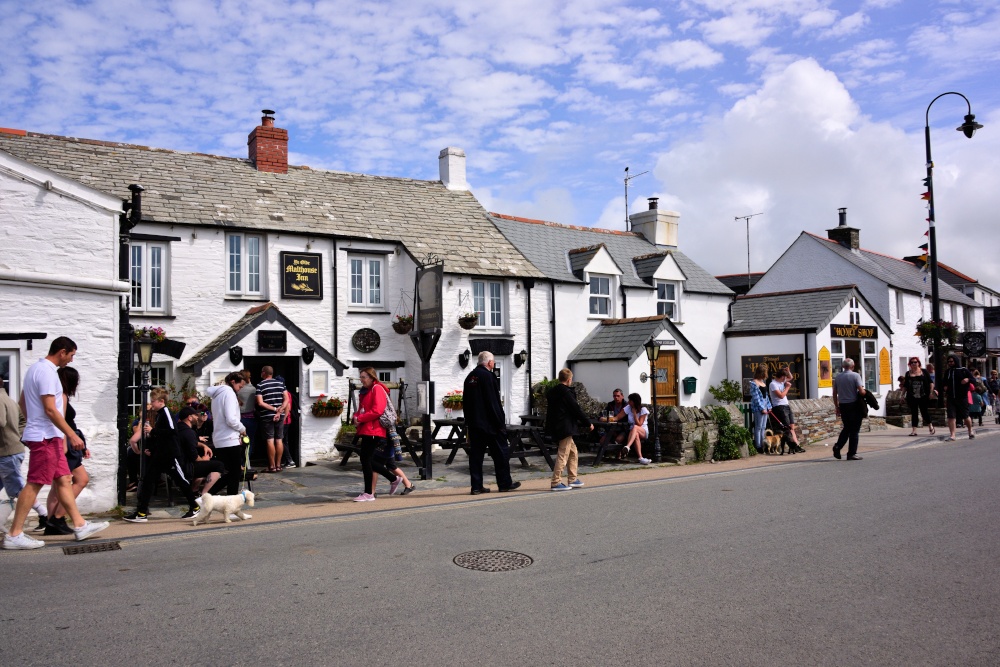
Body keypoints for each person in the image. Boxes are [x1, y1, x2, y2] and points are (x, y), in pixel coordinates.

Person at [4, 337, 108, 549]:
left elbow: (23, 403)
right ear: (62, 352)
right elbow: (51, 409)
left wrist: (30, 426)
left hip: (43, 434)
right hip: (45, 437)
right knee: (35, 483)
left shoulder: (34, 369)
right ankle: (14, 534)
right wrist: (71, 434)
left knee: (64, 479)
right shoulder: (49, 373)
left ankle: (80, 525)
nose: (70, 360)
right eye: (71, 355)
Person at [124, 387, 200, 522]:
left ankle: (194, 507)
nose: (151, 404)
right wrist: (152, 447)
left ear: (161, 401)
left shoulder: (166, 413)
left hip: (170, 455)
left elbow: (172, 431)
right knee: (147, 480)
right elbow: (161, 436)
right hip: (160, 455)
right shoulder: (159, 414)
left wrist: (153, 431)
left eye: (153, 401)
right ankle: (141, 512)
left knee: (181, 480)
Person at [43, 367, 91, 535]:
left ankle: (52, 522)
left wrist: (82, 444)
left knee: (57, 487)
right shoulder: (61, 396)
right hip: (66, 445)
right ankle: (57, 518)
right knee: (80, 480)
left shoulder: (59, 396)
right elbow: (62, 423)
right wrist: (63, 446)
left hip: (69, 443)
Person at [463, 351, 518, 494]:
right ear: (489, 363)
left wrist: (468, 423)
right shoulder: (488, 376)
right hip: (490, 426)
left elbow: (466, 403)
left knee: (476, 457)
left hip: (475, 425)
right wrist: (501, 424)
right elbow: (493, 403)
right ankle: (504, 483)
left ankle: (476, 486)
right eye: (493, 362)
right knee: (501, 454)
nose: (493, 364)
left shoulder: (470, 377)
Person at [351, 367, 400, 502]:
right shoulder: (365, 392)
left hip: (374, 430)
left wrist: (360, 418)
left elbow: (377, 410)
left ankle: (369, 493)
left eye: (364, 377)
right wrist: (355, 417)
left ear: (372, 377)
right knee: (367, 459)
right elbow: (361, 409)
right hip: (367, 429)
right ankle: (393, 478)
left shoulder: (377, 389)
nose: (361, 380)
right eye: (360, 377)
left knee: (365, 460)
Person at [544, 368, 593, 490]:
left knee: (573, 452)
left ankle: (572, 479)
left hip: (557, 425)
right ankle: (556, 482)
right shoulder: (566, 393)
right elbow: (576, 409)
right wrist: (588, 423)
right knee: (563, 453)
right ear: (569, 379)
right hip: (565, 426)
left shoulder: (553, 391)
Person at [206, 372, 250, 494]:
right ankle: (211, 496)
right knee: (235, 473)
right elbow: (231, 419)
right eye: (240, 386)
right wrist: (242, 429)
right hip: (229, 438)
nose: (240, 389)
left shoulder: (217, 395)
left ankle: (207, 495)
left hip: (220, 439)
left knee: (231, 473)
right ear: (233, 382)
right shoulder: (229, 394)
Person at [176, 407, 226, 495]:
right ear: (189, 417)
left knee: (205, 465)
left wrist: (203, 445)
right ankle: (205, 494)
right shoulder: (189, 432)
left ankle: (194, 490)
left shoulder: (178, 429)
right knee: (219, 465)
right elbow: (194, 457)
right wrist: (204, 460)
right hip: (186, 467)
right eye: (195, 415)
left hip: (177, 465)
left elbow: (192, 442)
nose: (197, 417)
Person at [832, 358, 867, 461]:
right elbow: (861, 391)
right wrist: (865, 392)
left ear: (843, 366)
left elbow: (834, 393)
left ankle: (838, 446)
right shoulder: (855, 375)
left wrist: (837, 406)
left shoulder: (838, 377)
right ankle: (851, 453)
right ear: (852, 366)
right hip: (853, 405)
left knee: (847, 427)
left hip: (843, 405)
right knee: (854, 430)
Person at [256, 366, 286, 472]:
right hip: (280, 415)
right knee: (279, 439)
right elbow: (286, 400)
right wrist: (279, 411)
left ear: (264, 373)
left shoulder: (260, 385)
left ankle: (272, 466)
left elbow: (260, 402)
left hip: (267, 415)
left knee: (270, 440)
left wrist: (273, 409)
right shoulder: (281, 384)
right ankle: (278, 465)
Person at [768, 367, 803, 453]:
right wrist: (787, 387)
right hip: (779, 407)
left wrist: (788, 371)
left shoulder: (781, 381)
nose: (785, 379)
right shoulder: (773, 384)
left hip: (786, 405)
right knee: (787, 428)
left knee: (791, 427)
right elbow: (781, 395)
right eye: (784, 377)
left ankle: (796, 445)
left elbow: (791, 377)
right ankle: (794, 446)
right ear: (780, 376)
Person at [613, 392, 652, 464]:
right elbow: (617, 417)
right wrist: (607, 419)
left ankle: (628, 446)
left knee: (635, 427)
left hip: (643, 431)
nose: (628, 402)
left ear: (634, 401)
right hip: (633, 432)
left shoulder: (643, 409)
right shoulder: (628, 408)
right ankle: (640, 458)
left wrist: (634, 413)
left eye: (630, 401)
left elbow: (639, 424)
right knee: (636, 434)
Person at [942, 354, 974, 442]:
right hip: (951, 397)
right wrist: (944, 387)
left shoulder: (963, 370)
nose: (950, 363)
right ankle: (952, 435)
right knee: (951, 416)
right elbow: (944, 382)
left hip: (962, 397)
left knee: (965, 416)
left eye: (951, 361)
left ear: (956, 361)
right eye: (948, 362)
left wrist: (967, 380)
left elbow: (973, 380)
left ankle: (970, 430)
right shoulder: (948, 372)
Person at [902, 357, 935, 437]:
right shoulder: (908, 373)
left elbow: (931, 382)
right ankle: (914, 430)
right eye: (912, 362)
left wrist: (931, 392)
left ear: (918, 363)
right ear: (910, 364)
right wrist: (902, 395)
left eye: (915, 362)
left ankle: (930, 425)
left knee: (924, 411)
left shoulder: (924, 372)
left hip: (923, 395)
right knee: (914, 412)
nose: (914, 364)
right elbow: (905, 386)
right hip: (912, 396)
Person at [749, 366, 772, 453]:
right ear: (762, 373)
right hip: (758, 408)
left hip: (765, 407)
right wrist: (762, 408)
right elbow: (756, 397)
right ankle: (758, 446)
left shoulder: (763, 382)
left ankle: (763, 444)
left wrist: (769, 407)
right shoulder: (754, 383)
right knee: (758, 427)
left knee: (763, 427)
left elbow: (766, 396)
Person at [236, 369, 257, 457]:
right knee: (250, 441)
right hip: (251, 418)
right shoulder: (253, 389)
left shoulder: (238, 389)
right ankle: (246, 462)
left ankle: (240, 462)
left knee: (239, 441)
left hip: (239, 418)